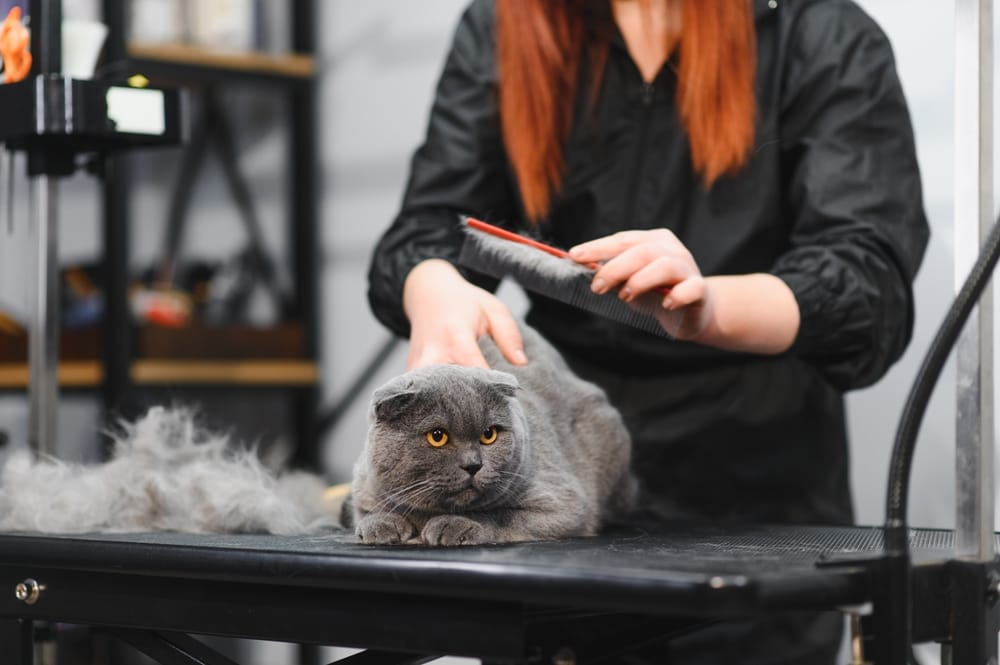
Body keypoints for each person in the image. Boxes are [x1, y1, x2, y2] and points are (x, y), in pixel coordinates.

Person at [367, 0, 930, 662]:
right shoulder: (502, 27)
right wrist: (431, 286)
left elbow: (865, 287)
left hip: (748, 511)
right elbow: (427, 228)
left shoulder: (819, 35)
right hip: (554, 506)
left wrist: (705, 308)